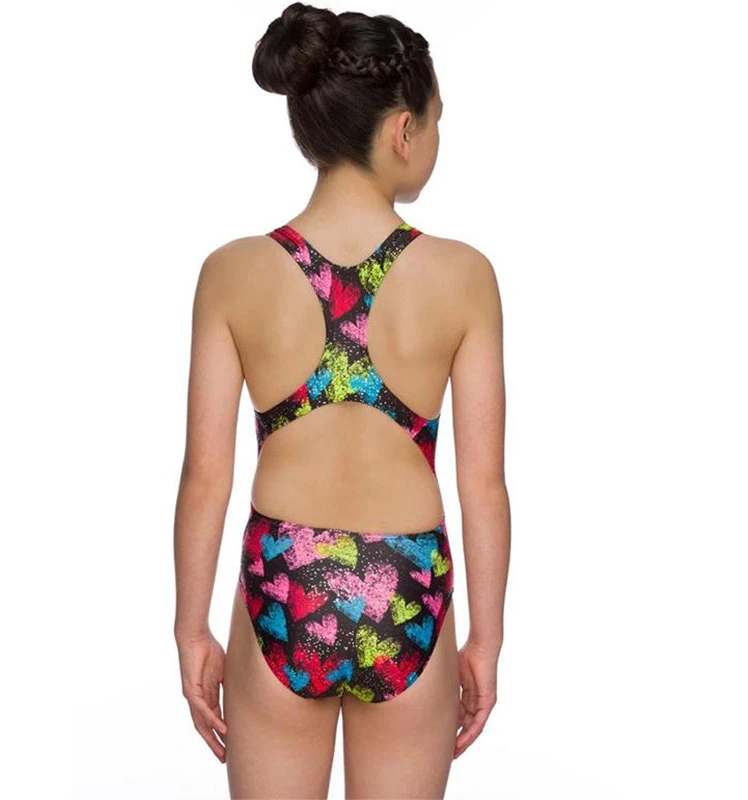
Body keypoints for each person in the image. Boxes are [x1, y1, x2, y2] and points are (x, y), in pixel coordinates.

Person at [173, 3, 511, 797]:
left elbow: (205, 475)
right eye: (437, 120)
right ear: (403, 130)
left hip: (285, 582)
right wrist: (486, 641)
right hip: (407, 587)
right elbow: (483, 485)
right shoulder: (464, 277)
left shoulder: (232, 272)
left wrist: (190, 627)